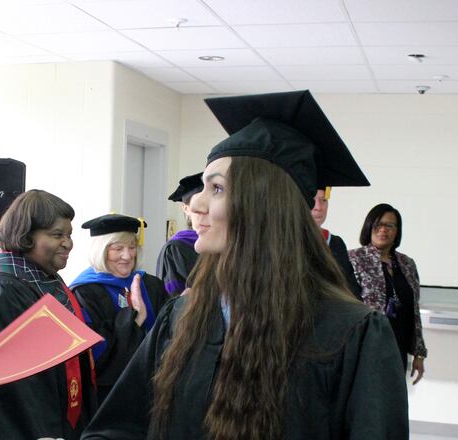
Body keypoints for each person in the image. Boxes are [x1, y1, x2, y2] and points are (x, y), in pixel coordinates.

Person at [83, 90, 407, 439]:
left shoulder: (350, 333)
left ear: (265, 206)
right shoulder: (182, 316)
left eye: (217, 189)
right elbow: (121, 427)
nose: (197, 205)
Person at [0, 189, 97, 440]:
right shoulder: (0, 290)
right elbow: (17, 387)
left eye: (69, 235)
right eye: (57, 234)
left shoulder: (46, 278)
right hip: (32, 428)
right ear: (25, 236)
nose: (68, 243)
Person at [69, 214, 169, 403]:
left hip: (155, 388)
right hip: (111, 396)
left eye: (132, 247)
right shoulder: (85, 292)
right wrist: (135, 320)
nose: (127, 255)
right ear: (101, 251)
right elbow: (94, 355)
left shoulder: (150, 284)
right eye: (118, 248)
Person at [349, 203, 427, 383]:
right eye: (377, 224)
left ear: (397, 231)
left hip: (398, 345)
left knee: (393, 401)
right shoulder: (353, 259)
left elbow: (414, 311)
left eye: (389, 225)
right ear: (369, 227)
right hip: (365, 347)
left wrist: (419, 354)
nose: (383, 230)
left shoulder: (407, 264)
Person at [156, 173, 203, 295]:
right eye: (199, 204)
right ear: (186, 209)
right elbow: (173, 299)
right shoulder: (176, 249)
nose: (205, 210)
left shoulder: (225, 242)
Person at [311, 186, 362, 298]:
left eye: (324, 200)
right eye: (312, 200)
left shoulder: (335, 243)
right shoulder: (286, 241)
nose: (318, 207)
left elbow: (351, 288)